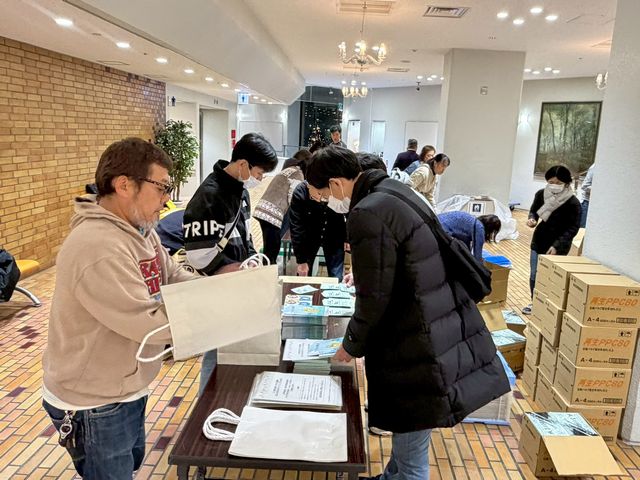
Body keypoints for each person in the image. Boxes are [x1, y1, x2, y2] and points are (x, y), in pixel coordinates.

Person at [305, 147, 509, 480]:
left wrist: (350, 345)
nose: (328, 202)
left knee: (413, 447)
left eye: (324, 196)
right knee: (408, 433)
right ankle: (392, 475)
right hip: (434, 320)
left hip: (416, 339)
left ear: (336, 183)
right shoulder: (393, 191)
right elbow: (395, 264)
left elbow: (373, 298)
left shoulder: (367, 212)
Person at [42, 138, 196, 479]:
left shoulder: (140, 229)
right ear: (124, 185)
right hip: (93, 400)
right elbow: (147, 322)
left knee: (129, 466)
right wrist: (215, 316)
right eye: (161, 187)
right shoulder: (98, 246)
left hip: (124, 385)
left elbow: (171, 274)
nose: (167, 198)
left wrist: (214, 291)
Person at [183, 132, 278, 393]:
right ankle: (207, 402)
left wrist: (253, 262)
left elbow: (245, 236)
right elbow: (199, 254)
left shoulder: (240, 191)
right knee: (216, 350)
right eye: (259, 173)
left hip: (238, 283)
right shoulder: (210, 196)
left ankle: (231, 394)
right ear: (243, 164)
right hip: (218, 287)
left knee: (234, 345)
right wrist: (237, 269)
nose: (260, 180)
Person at [522, 165, 581, 315]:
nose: (554, 185)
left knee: (553, 277)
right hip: (539, 240)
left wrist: (557, 245)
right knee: (535, 274)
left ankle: (550, 305)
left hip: (559, 245)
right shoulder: (541, 194)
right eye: (551, 182)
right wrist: (532, 219)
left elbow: (573, 228)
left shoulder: (573, 202)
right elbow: (534, 211)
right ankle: (535, 302)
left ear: (566, 183)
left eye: (558, 182)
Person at [289, 154, 347, 279]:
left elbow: (348, 213)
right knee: (303, 274)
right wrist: (301, 260)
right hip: (309, 237)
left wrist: (347, 238)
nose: (320, 198)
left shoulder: (335, 188)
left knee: (336, 276)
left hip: (334, 234)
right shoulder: (301, 191)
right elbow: (296, 226)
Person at [253, 152, 307, 264]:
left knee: (269, 248)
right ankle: (268, 272)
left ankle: (267, 268)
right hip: (272, 214)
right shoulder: (298, 173)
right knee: (272, 250)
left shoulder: (289, 170)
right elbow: (294, 197)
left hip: (262, 210)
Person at [580, 163, 595, 228]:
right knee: (582, 229)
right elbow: (585, 186)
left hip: (599, 205)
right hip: (587, 203)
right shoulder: (595, 167)